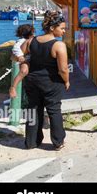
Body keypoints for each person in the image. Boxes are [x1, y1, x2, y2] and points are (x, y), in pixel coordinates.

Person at [20, 12, 69, 150]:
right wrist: (66, 81)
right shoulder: (58, 45)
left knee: (34, 110)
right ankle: (58, 142)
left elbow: (17, 55)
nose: (64, 31)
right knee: (54, 111)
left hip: (32, 82)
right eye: (62, 28)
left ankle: (31, 142)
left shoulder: (30, 41)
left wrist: (23, 63)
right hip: (51, 83)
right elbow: (63, 69)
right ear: (53, 28)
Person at [9, 24, 35, 98]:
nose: (34, 34)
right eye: (33, 32)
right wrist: (20, 56)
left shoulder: (29, 40)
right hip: (24, 59)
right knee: (24, 71)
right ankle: (13, 87)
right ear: (28, 33)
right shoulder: (22, 40)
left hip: (28, 59)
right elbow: (15, 48)